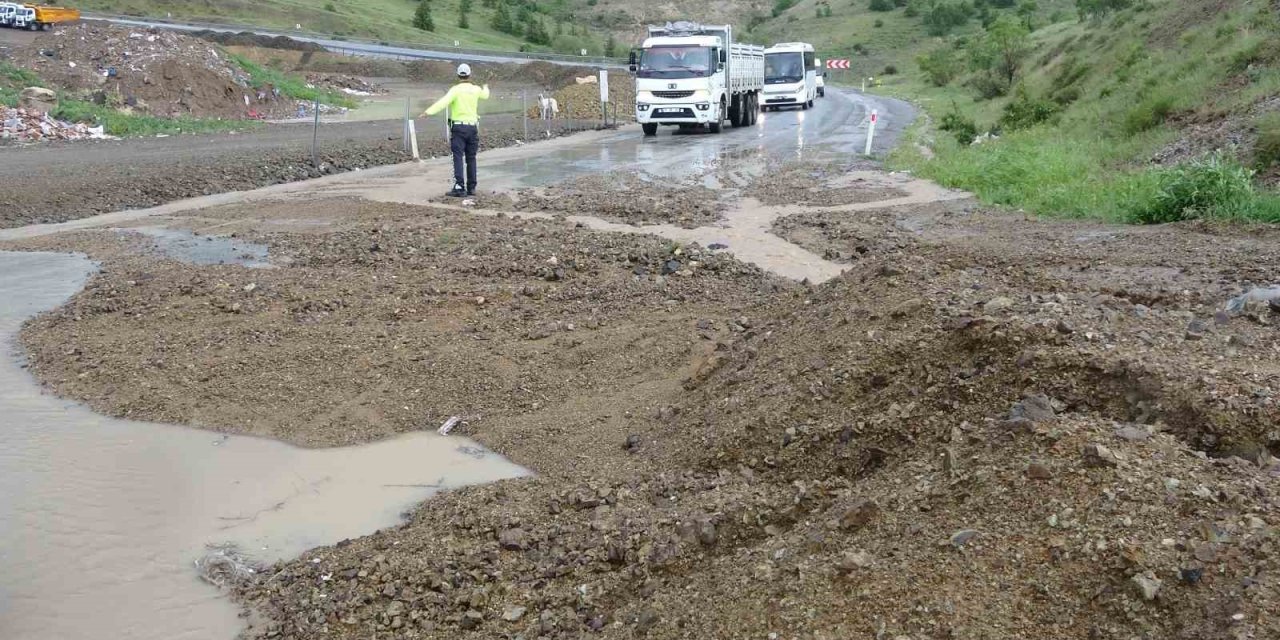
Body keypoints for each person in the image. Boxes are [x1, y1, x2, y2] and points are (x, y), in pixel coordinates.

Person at [423, 63, 490, 197]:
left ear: (458, 75)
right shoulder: (476, 89)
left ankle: (459, 186)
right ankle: (472, 187)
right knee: (471, 158)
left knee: (458, 157)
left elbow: (443, 102)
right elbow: (486, 95)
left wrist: (428, 112)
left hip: (458, 128)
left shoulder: (455, 90)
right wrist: (486, 85)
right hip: (472, 127)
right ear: (469, 75)